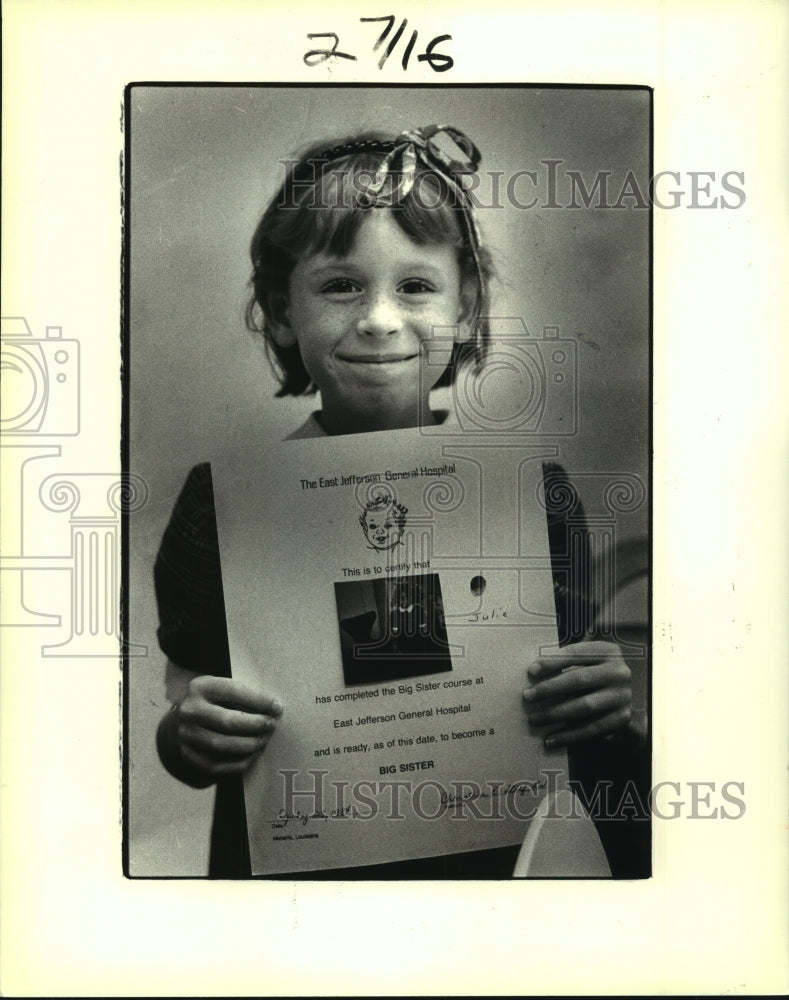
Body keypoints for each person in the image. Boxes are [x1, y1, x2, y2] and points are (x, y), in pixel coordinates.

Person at [154, 125, 648, 878]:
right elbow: (187, 713)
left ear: (467, 307)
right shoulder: (219, 509)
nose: (380, 319)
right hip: (303, 898)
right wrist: (187, 734)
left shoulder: (530, 499)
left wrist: (607, 693)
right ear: (283, 311)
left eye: (415, 286)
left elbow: (568, 697)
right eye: (339, 284)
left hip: (498, 881)